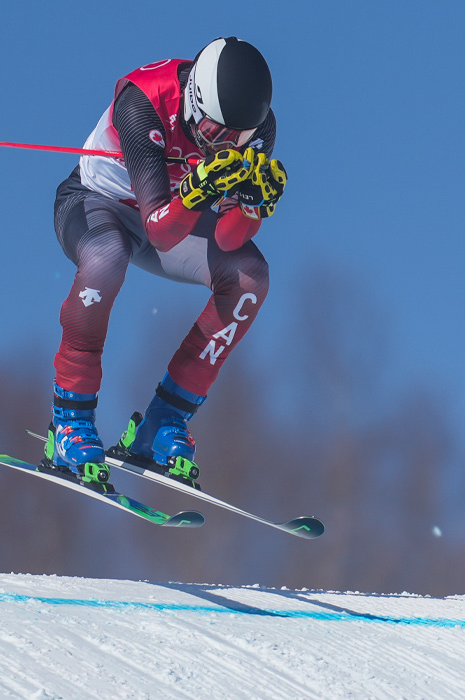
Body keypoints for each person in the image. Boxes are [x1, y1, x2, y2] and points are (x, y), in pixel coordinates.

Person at [48, 37, 287, 485]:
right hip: (99, 203)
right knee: (106, 259)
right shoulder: (144, 102)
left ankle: (163, 421)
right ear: (195, 104)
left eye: (236, 139)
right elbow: (158, 226)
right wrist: (198, 190)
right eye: (216, 133)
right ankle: (69, 419)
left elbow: (227, 236)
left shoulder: (258, 130)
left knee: (250, 280)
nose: (224, 146)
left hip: (177, 218)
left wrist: (250, 207)